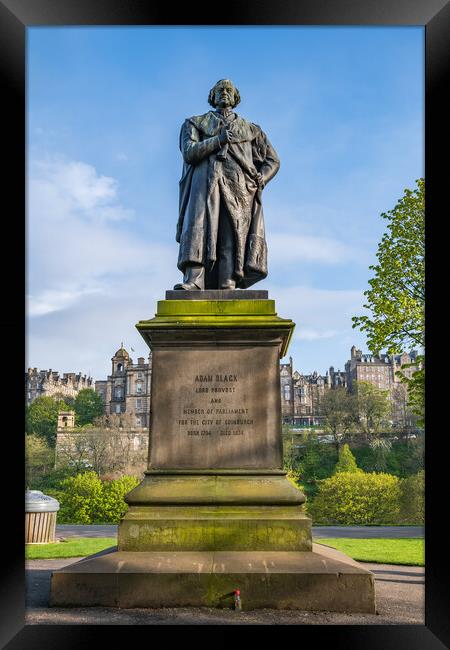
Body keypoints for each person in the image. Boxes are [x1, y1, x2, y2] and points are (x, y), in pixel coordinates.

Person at [174, 79, 280, 290]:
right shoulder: (195, 123)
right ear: (212, 96)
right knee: (199, 224)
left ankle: (228, 280)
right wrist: (218, 140)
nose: (224, 92)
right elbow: (189, 152)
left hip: (239, 187)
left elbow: (272, 160)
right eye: (220, 90)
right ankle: (194, 279)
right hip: (204, 184)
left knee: (231, 230)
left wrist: (263, 177)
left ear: (236, 97)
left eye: (228, 90)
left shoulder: (251, 130)